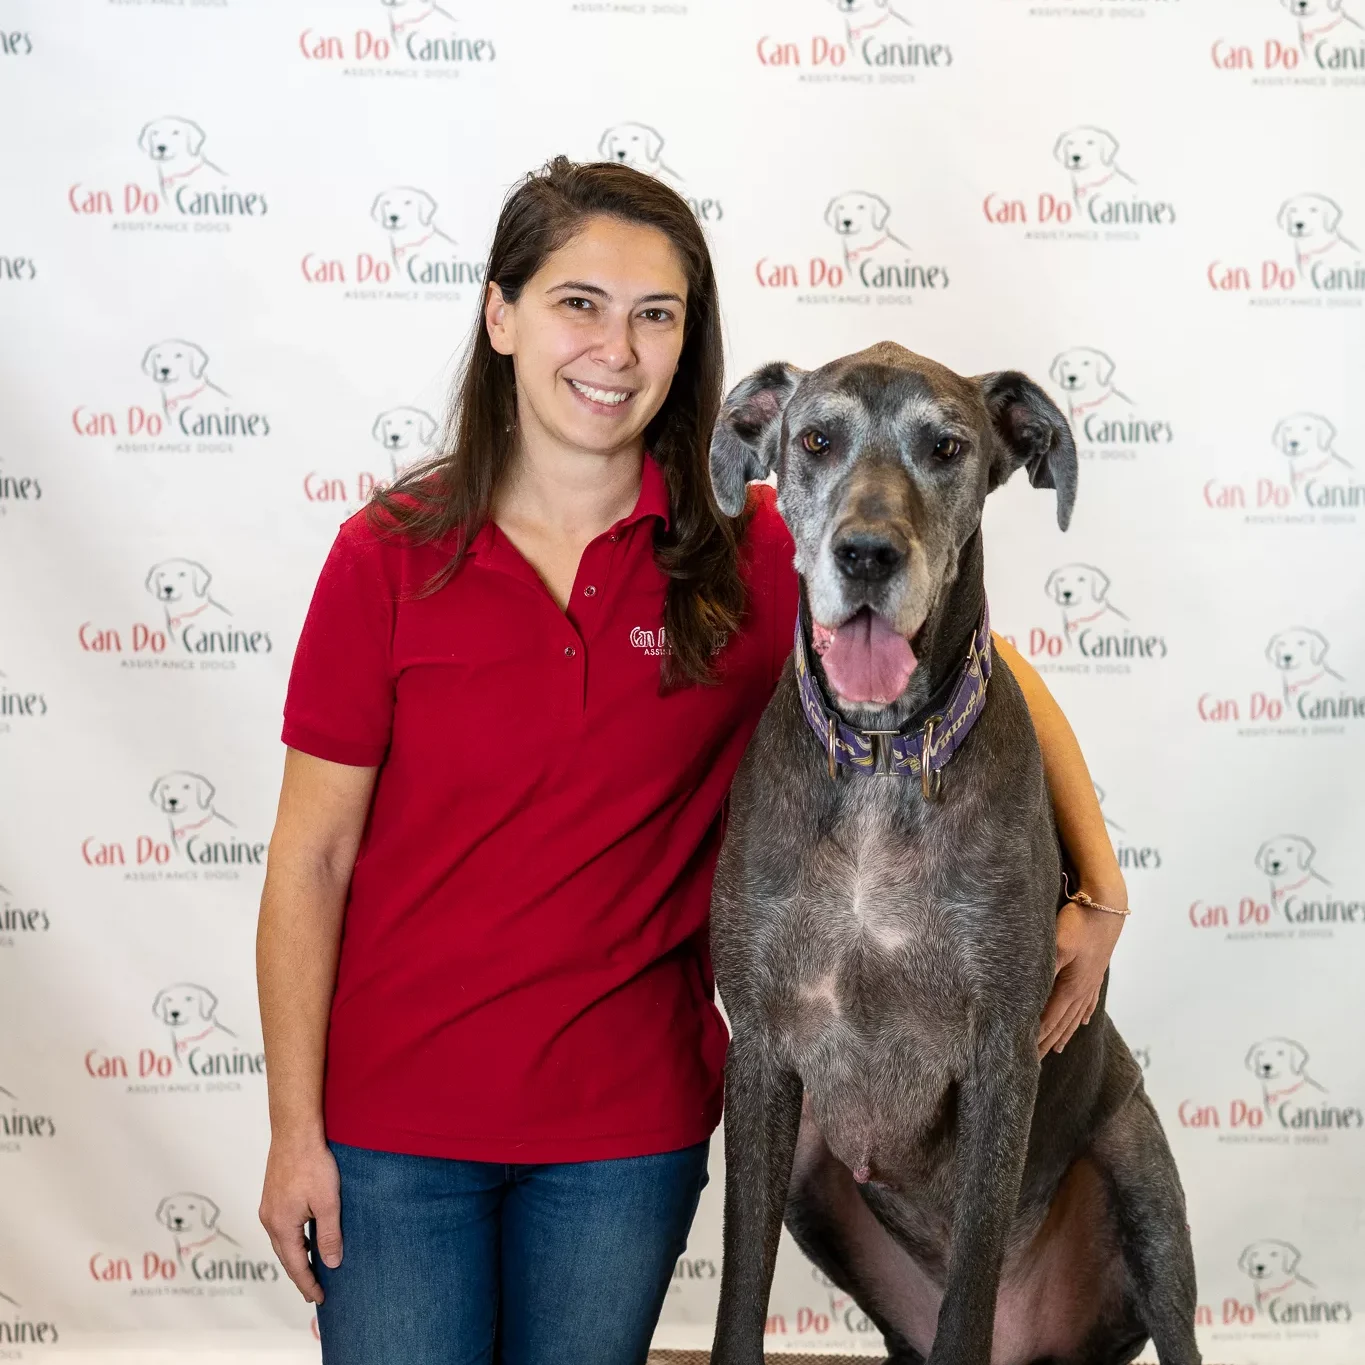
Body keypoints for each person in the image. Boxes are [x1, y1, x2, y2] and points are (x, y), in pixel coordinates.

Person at [256, 157, 1128, 1365]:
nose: (615, 348)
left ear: (685, 344)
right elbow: (310, 860)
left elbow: (990, 670)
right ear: (501, 316)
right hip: (399, 1122)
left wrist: (1104, 887)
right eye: (578, 303)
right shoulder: (386, 554)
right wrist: (293, 1129)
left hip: (623, 1129)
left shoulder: (748, 549)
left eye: (654, 315)